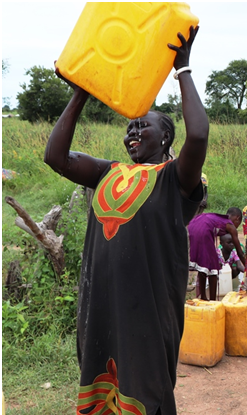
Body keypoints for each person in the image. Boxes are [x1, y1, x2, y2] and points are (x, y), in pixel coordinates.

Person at [44, 27, 207, 414]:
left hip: (147, 310)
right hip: (100, 304)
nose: (133, 132)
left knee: (146, 392)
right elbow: (56, 156)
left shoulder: (174, 179)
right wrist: (82, 89)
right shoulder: (107, 172)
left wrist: (182, 69)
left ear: (166, 138)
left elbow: (198, 135)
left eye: (143, 125)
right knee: (100, 388)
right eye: (129, 128)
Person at [188, 207, 245, 301]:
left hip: (193, 225)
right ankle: (213, 301)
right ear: (237, 218)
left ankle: (203, 297)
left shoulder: (219, 219)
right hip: (204, 229)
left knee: (203, 264)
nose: (236, 227)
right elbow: (240, 252)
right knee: (213, 266)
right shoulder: (230, 225)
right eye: (238, 224)